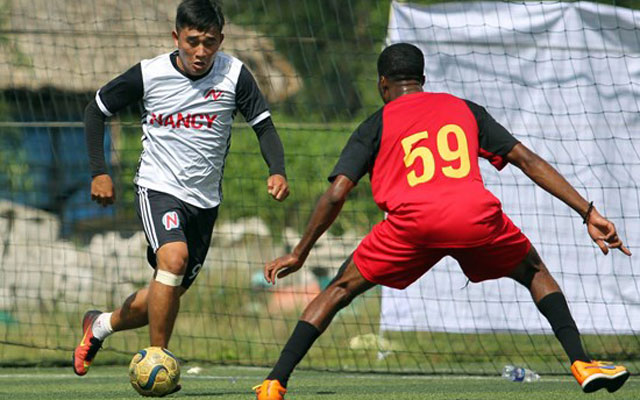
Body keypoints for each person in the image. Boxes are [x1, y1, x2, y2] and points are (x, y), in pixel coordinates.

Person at [254, 43, 631, 400]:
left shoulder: (375, 124)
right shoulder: (463, 109)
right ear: (422, 79)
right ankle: (582, 363)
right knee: (534, 272)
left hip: (411, 226)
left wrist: (300, 253)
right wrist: (588, 212)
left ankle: (275, 382)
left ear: (382, 84)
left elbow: (336, 194)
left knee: (339, 288)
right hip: (474, 218)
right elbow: (527, 160)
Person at [73, 0, 289, 383]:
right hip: (158, 187)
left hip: (204, 202)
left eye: (210, 42)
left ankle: (100, 325)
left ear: (221, 40)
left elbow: (264, 126)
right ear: (177, 37)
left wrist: (277, 170)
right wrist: (99, 172)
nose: (201, 52)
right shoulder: (149, 73)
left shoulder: (235, 75)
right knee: (173, 260)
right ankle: (159, 365)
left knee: (166, 293)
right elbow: (97, 110)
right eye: (192, 42)